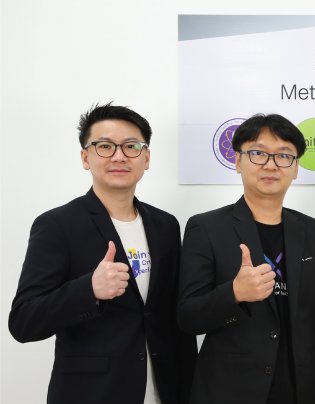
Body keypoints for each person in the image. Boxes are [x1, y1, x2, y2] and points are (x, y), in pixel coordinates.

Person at [8, 103, 197, 404]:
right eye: (105, 146)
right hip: (94, 394)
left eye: (131, 146)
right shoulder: (58, 225)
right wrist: (89, 290)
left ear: (146, 158)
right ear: (86, 157)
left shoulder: (165, 225)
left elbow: (173, 320)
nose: (119, 156)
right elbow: (23, 321)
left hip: (165, 391)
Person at [178, 113, 315, 404]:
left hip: (301, 390)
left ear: (296, 168)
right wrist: (234, 293)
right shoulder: (207, 228)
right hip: (230, 391)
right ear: (238, 161)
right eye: (258, 153)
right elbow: (188, 317)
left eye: (284, 155)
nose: (271, 164)